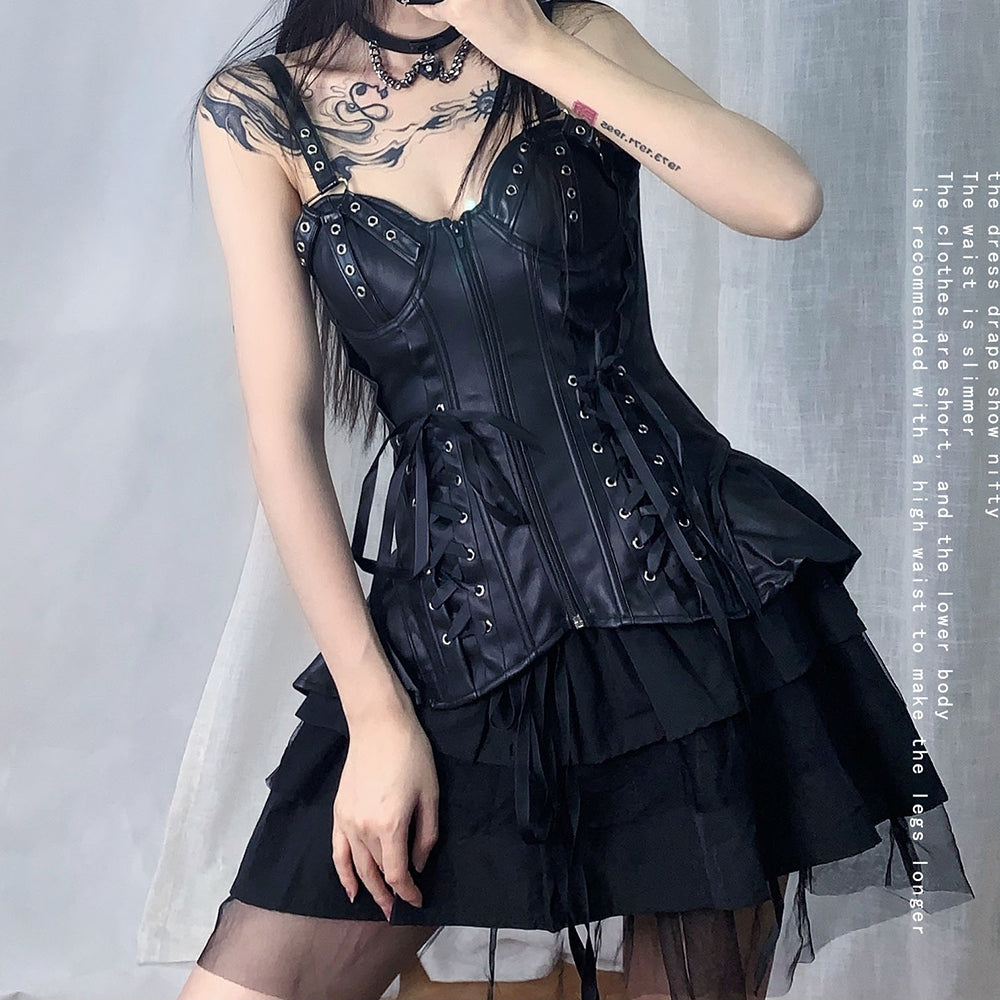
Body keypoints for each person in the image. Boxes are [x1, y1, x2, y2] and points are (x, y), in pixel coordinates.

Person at [178, 1, 974, 998]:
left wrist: (529, 45)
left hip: (681, 619)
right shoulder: (261, 111)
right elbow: (281, 431)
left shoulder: (572, 39)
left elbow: (783, 199)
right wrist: (376, 717)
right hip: (451, 640)